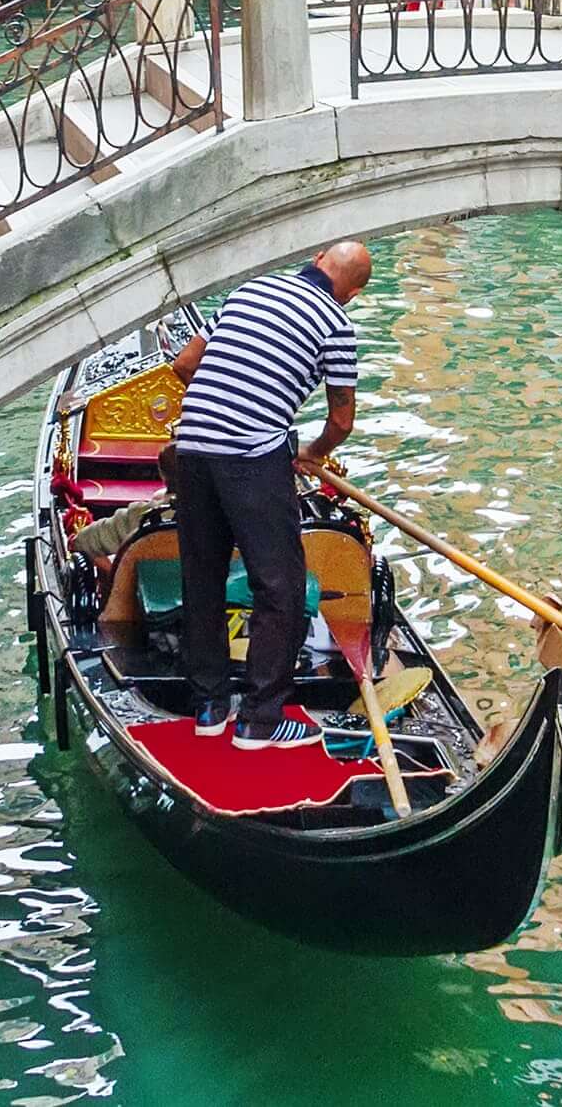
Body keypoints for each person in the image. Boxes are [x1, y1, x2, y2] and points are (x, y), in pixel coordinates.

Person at [165, 240, 375, 748]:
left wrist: (224, 410)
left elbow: (184, 365)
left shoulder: (251, 290)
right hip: (251, 458)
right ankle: (260, 721)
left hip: (191, 448)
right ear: (351, 292)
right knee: (280, 586)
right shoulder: (336, 324)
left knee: (202, 577)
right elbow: (341, 421)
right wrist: (312, 450)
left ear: (319, 258)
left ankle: (210, 707)